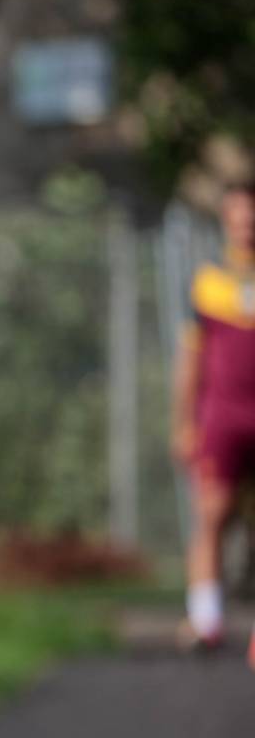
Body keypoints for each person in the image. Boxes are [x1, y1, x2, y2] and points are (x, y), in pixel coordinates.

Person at [171, 181, 255, 660]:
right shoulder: (207, 282)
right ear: (226, 219)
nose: (246, 223)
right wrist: (184, 421)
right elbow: (190, 358)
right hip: (223, 419)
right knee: (212, 514)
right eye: (238, 214)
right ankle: (205, 619)